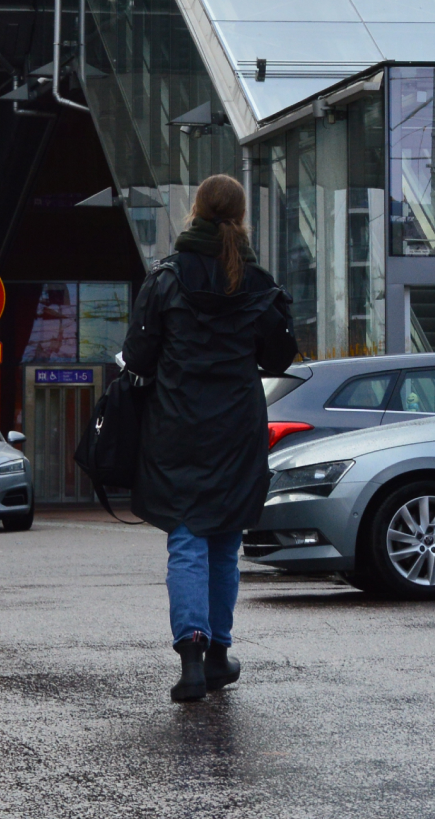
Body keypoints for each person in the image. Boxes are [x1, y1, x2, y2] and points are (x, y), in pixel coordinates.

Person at [123, 174, 296, 703]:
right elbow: (278, 357)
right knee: (225, 541)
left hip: (178, 430)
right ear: (241, 219)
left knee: (187, 539)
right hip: (237, 431)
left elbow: (137, 357)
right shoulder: (259, 283)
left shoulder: (166, 280)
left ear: (195, 212)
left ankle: (191, 660)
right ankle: (219, 654)